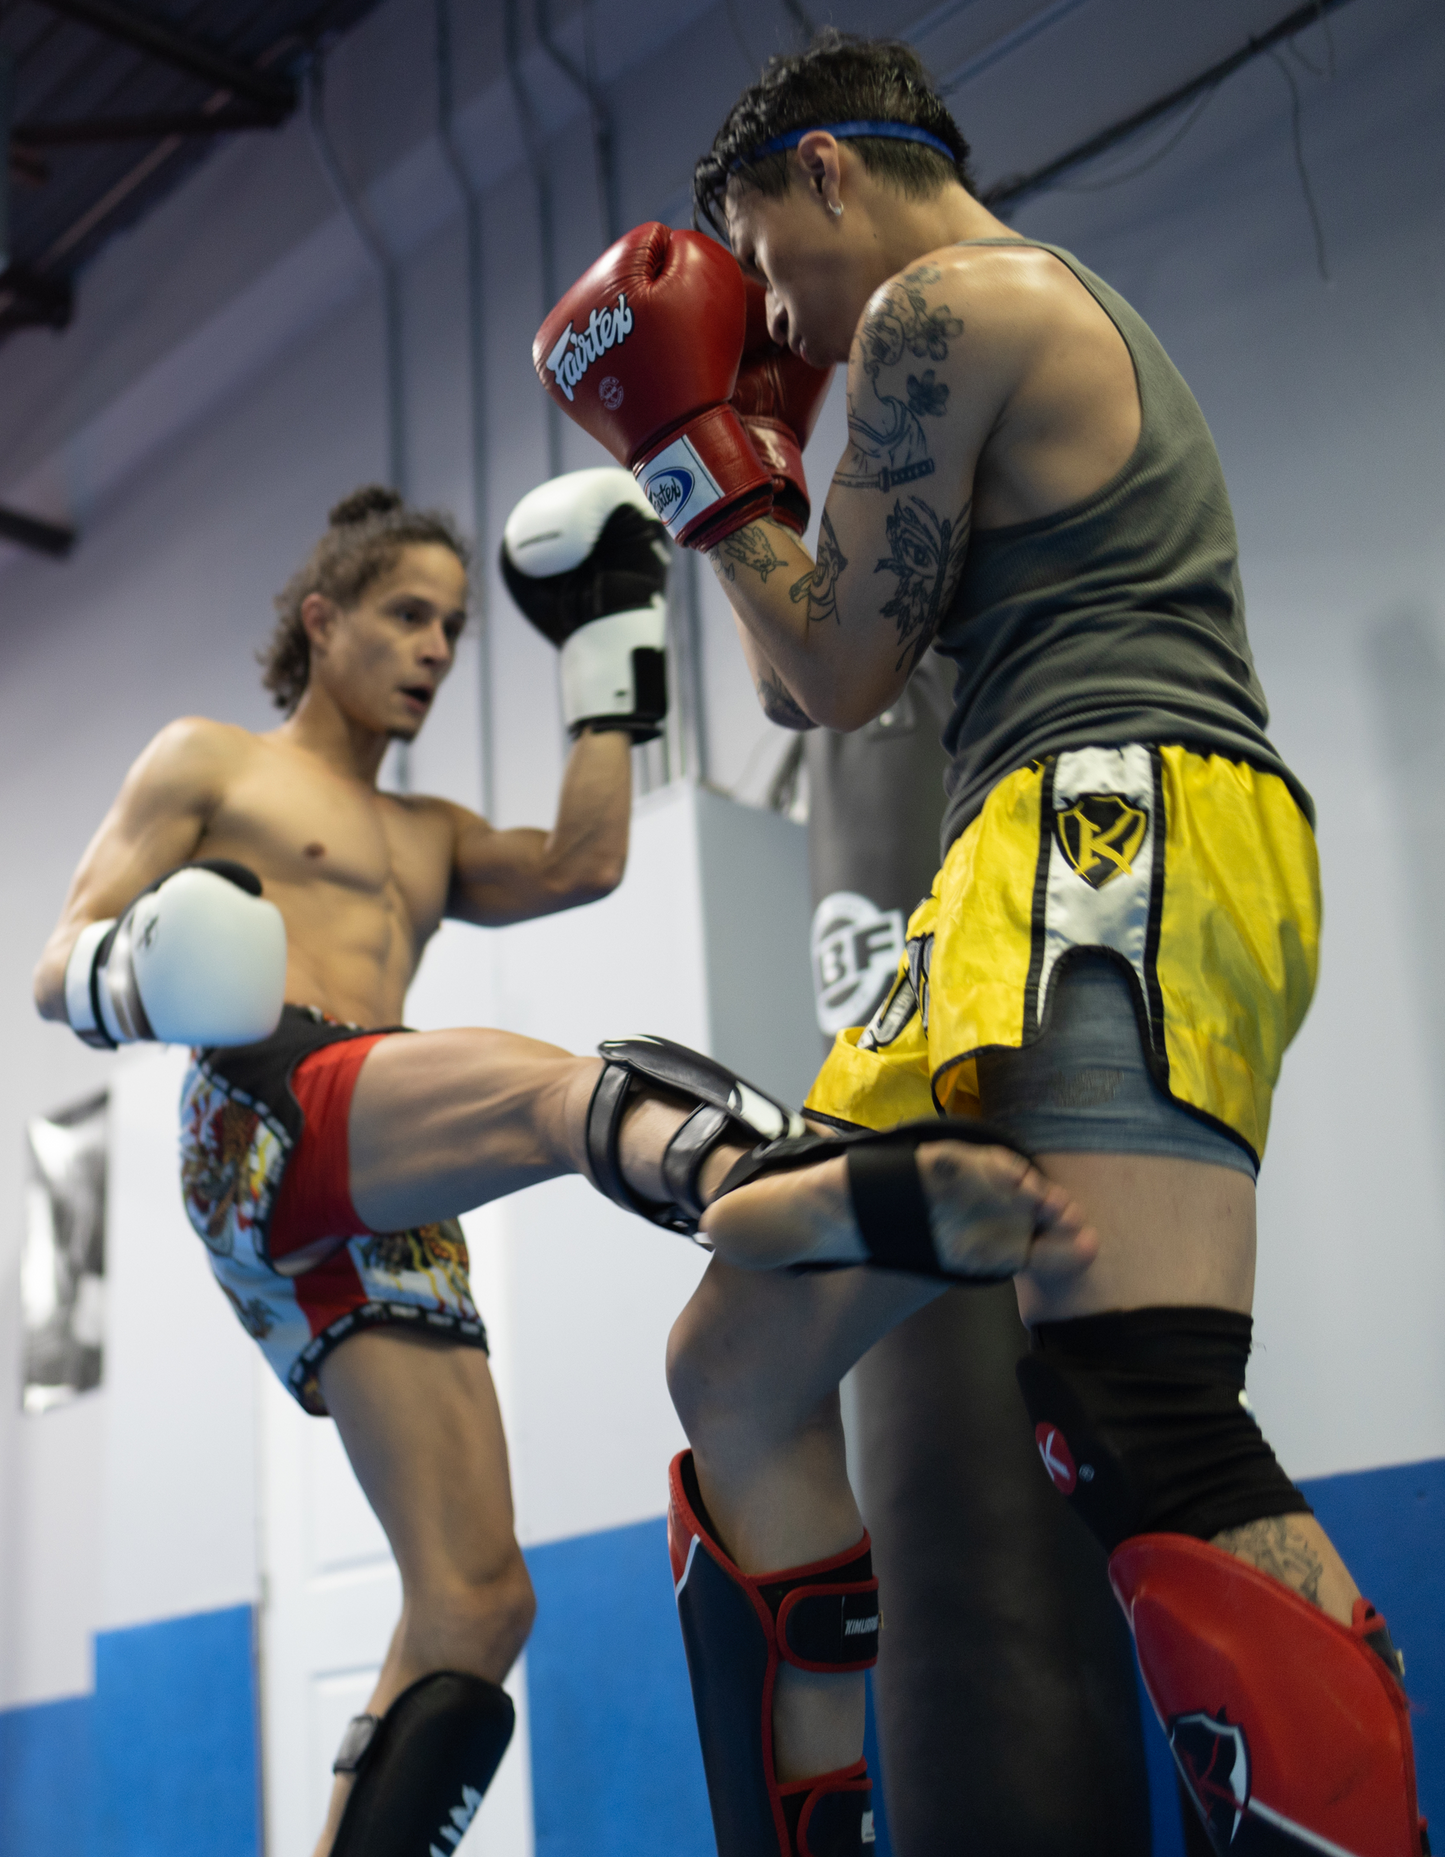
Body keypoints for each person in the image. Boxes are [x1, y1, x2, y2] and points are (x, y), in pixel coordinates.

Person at [533, 31, 1428, 1857]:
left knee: (1136, 1408)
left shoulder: (954, 296)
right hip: (1025, 858)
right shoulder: (972, 333)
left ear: (830, 173)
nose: (788, 314)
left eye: (770, 257)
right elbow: (840, 685)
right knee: (739, 1364)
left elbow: (835, 670)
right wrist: (762, 458)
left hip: (1121, 822)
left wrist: (700, 456)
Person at [34, 474, 1088, 1856]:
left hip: (376, 1191)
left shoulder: (428, 838)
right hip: (265, 1113)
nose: (433, 649)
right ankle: (746, 1180)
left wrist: (610, 639)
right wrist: (148, 970)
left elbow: (587, 860)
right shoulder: (208, 764)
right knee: (553, 1093)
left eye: (456, 630)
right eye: (406, 616)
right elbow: (57, 967)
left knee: (476, 1605)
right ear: (320, 618)